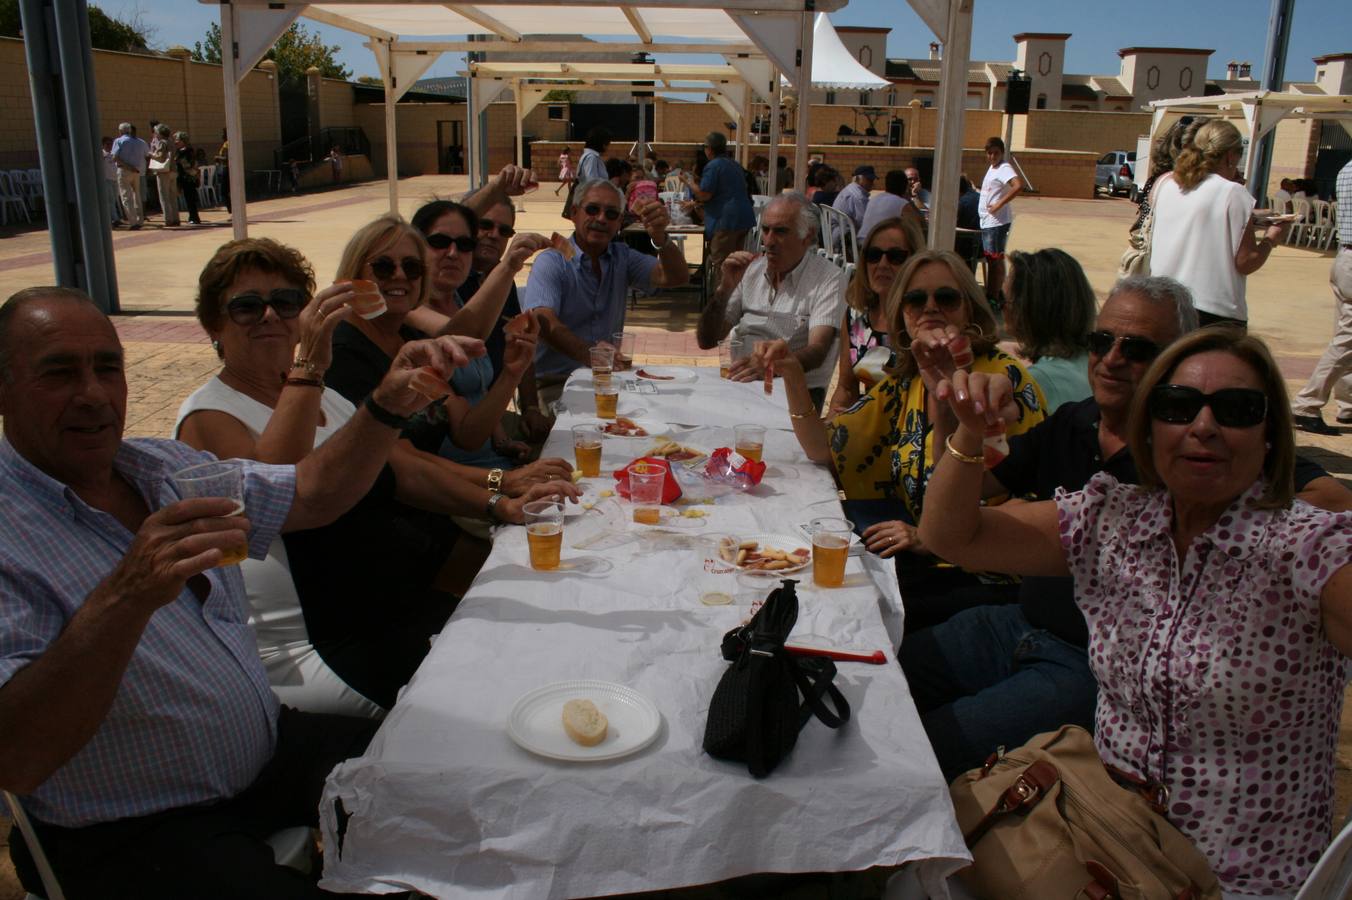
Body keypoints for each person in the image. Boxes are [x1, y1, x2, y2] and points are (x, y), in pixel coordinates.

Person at [0, 285, 482, 897]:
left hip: (265, 752)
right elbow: (16, 755)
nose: (93, 393)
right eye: (59, 373)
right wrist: (126, 597)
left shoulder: (161, 468)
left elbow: (310, 493)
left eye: (107, 368)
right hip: (136, 826)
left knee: (450, 782)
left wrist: (387, 405)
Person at [918, 326, 1352, 897]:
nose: (1203, 426)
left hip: (1233, 881)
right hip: (1104, 839)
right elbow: (951, 535)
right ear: (1150, 426)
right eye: (1178, 407)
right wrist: (970, 433)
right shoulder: (1116, 519)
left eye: (1236, 409)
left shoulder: (1307, 550)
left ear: (1269, 433)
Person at [756, 248, 1045, 628]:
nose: (929, 308)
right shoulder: (907, 381)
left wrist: (927, 536)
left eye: (946, 297)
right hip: (929, 556)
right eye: (914, 299)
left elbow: (1035, 503)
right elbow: (824, 447)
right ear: (901, 315)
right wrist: (793, 374)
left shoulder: (999, 380)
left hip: (989, 575)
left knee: (841, 611)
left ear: (969, 309)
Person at [326, 215, 574, 500]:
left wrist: (511, 373)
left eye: (411, 267)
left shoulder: (409, 340)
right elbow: (406, 467)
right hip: (398, 514)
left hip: (450, 495)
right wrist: (503, 483)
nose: (399, 275)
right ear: (354, 274)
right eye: (383, 267)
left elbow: (467, 433)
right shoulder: (346, 351)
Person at [522, 178, 689, 405]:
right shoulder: (552, 262)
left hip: (607, 380)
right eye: (592, 209)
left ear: (620, 221)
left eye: (611, 214)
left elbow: (676, 277)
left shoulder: (622, 256)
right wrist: (592, 354)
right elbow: (544, 323)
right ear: (574, 213)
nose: (601, 219)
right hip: (556, 383)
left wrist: (660, 237)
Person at [409, 200, 541, 470]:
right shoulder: (409, 309)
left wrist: (504, 442)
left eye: (465, 244)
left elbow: (479, 393)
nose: (453, 253)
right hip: (453, 477)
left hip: (491, 456)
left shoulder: (461, 298)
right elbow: (455, 337)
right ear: (416, 247)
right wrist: (510, 265)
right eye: (440, 241)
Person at [696, 193, 845, 410]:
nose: (769, 241)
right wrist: (724, 289)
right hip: (741, 384)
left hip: (794, 392)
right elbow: (707, 340)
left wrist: (770, 365)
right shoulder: (751, 269)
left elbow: (818, 350)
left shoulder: (827, 277)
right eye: (765, 230)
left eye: (781, 231)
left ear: (807, 236)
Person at [1149, 119, 1289, 329]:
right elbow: (1247, 261)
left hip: (1164, 303)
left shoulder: (1166, 185)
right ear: (1230, 156)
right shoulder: (1233, 192)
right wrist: (1271, 239)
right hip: (1213, 311)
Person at [457, 195, 553, 443]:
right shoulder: (451, 282)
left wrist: (530, 408)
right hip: (463, 424)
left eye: (504, 230)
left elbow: (522, 346)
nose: (493, 234)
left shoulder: (503, 281)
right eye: (485, 225)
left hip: (494, 416)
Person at [827, 215, 926, 415]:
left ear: (914, 262)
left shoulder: (924, 318)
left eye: (895, 257)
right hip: (868, 427)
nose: (882, 264)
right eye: (874, 255)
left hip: (913, 429)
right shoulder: (856, 316)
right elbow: (846, 388)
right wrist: (834, 419)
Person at [1290, 157, 1352, 435]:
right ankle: (1307, 403)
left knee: (1345, 333)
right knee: (1348, 339)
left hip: (1344, 256)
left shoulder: (1346, 168)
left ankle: (1348, 402)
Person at [1003, 248, 1097, 411]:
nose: (1002, 308)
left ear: (1026, 308)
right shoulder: (1095, 363)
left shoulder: (1035, 383)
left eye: (1003, 299)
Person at [684, 131, 755, 296]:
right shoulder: (734, 165)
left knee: (722, 266)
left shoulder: (713, 166)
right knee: (737, 264)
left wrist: (689, 183)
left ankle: (722, 306)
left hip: (726, 220)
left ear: (709, 149)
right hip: (743, 218)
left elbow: (704, 194)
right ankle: (737, 302)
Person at [978, 137, 1022, 307]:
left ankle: (992, 296)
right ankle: (999, 293)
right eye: (989, 153)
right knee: (996, 258)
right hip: (988, 221)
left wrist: (998, 205)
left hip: (995, 222)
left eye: (996, 153)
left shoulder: (1004, 168)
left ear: (1002, 153)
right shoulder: (993, 168)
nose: (992, 156)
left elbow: (1017, 186)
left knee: (993, 259)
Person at [857, 169, 925, 244]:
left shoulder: (875, 199)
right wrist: (911, 197)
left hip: (861, 243)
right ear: (905, 186)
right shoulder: (902, 203)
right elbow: (920, 223)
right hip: (876, 247)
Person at [110, 122, 148, 229]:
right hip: (137, 171)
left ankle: (133, 221)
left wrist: (127, 165)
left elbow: (114, 157)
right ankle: (140, 219)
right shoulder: (140, 142)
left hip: (124, 170)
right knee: (137, 195)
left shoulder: (119, 141)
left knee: (126, 196)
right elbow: (146, 154)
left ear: (121, 131)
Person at [149, 124, 179, 227]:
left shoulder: (162, 142)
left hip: (164, 171)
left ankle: (168, 219)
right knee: (172, 196)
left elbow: (161, 157)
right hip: (173, 170)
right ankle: (176, 218)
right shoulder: (171, 141)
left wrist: (151, 154)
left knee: (164, 196)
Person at [832, 164, 875, 232]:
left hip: (836, 232)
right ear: (858, 179)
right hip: (845, 237)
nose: (872, 183)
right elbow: (865, 223)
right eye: (869, 180)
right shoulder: (859, 196)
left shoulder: (849, 188)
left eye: (872, 180)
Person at [173, 131, 202, 226]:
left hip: (188, 178)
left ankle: (194, 217)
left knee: (190, 198)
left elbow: (188, 165)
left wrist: (194, 174)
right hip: (183, 177)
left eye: (177, 140)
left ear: (183, 141)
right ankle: (192, 216)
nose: (175, 142)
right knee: (188, 198)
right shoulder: (180, 151)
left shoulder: (187, 151)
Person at [99, 136, 120, 226]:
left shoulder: (113, 154)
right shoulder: (102, 154)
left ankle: (114, 217)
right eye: (107, 144)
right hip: (107, 179)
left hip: (115, 179)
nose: (109, 146)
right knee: (110, 200)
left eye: (111, 144)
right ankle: (114, 219)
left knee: (114, 199)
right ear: (103, 145)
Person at [214, 128, 231, 213]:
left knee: (224, 191)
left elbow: (227, 158)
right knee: (227, 191)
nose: (222, 136)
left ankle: (231, 209)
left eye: (224, 134)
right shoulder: (227, 143)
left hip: (227, 168)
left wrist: (217, 158)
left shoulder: (227, 144)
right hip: (226, 168)